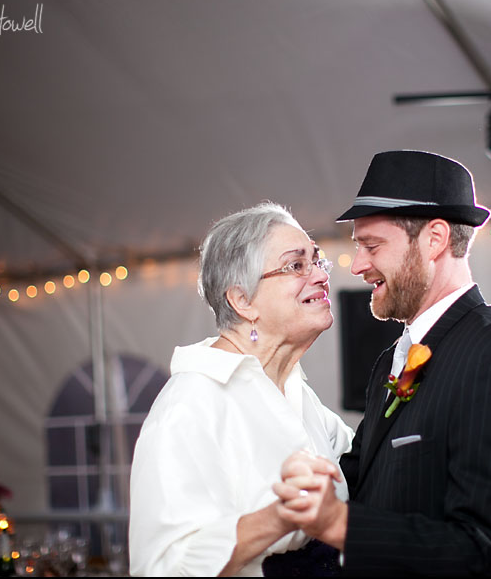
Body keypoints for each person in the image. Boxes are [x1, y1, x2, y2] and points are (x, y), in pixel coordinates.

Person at [274, 150, 491, 576]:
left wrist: (340, 524)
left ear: (435, 239)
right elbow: (362, 484)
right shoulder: (394, 359)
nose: (358, 266)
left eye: (371, 245)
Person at [128, 202, 354, 576]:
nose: (319, 276)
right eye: (296, 265)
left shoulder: (295, 391)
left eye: (317, 261)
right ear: (243, 301)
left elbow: (367, 472)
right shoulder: (188, 406)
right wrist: (279, 516)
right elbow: (162, 568)